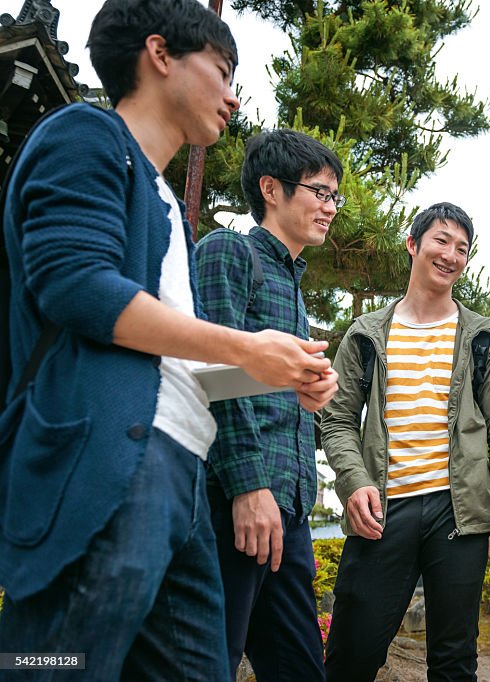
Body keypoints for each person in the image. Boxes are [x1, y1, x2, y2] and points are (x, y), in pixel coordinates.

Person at [0, 1, 333, 679]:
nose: (233, 97)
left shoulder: (170, 214)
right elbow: (77, 285)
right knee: (52, 660)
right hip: (108, 461)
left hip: (182, 476)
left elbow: (171, 361)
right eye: (222, 69)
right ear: (159, 54)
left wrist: (273, 371)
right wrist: (246, 347)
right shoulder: (85, 136)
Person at [320, 202, 490, 681]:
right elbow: (337, 422)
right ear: (413, 245)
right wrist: (353, 483)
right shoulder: (366, 334)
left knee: (454, 661)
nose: (451, 254)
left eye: (462, 248)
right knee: (352, 652)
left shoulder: (482, 337)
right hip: (382, 509)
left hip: (460, 513)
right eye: (441, 240)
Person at [195, 129, 343, 680]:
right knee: (207, 662)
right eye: (319, 192)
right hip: (237, 501)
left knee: (301, 667)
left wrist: (312, 395)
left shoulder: (294, 284)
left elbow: (263, 385)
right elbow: (212, 377)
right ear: (271, 189)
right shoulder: (228, 250)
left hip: (290, 507)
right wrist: (247, 487)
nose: (330, 208)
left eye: (335, 197)